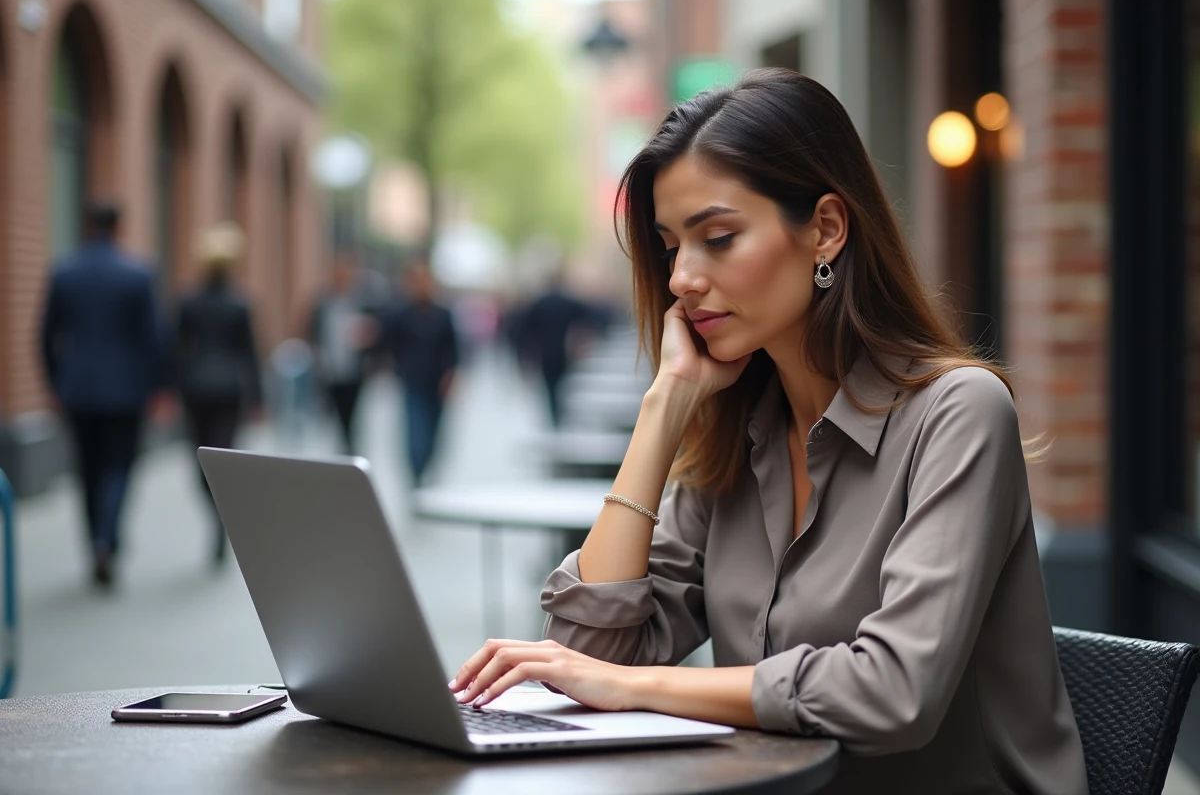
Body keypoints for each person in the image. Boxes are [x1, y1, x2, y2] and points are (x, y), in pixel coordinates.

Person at [448, 70, 1088, 793]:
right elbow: (588, 652)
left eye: (718, 238)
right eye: (669, 247)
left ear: (825, 229)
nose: (683, 277)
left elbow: (892, 694)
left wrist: (638, 688)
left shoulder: (958, 414)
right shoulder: (737, 428)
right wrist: (664, 410)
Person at [40, 200, 168, 588]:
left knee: (87, 469)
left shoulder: (65, 272)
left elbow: (45, 336)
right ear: (120, 227)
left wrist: (55, 383)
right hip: (126, 391)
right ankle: (106, 540)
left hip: (78, 388)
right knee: (119, 468)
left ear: (88, 225)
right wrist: (159, 385)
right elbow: (154, 338)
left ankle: (94, 542)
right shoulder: (137, 274)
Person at [174, 223, 263, 565]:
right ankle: (220, 519)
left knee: (201, 461)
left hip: (196, 388)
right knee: (221, 457)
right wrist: (257, 397)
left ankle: (216, 519)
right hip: (228, 390)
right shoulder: (240, 303)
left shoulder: (189, 302)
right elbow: (249, 353)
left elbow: (177, 348)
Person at [378, 260, 459, 485]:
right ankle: (416, 474)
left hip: (437, 383)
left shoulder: (443, 314)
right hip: (412, 381)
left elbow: (452, 349)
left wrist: (452, 376)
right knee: (415, 434)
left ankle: (426, 469)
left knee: (434, 433)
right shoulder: (400, 314)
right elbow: (386, 342)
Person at [308, 251, 375, 454]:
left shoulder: (361, 303)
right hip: (330, 370)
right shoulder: (322, 304)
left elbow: (374, 334)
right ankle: (344, 448)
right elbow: (311, 331)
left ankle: (350, 449)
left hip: (354, 370)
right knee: (334, 414)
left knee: (352, 416)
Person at [512, 268, 597, 427]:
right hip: (565, 352)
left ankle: (554, 419)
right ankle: (561, 417)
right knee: (564, 386)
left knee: (550, 388)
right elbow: (588, 321)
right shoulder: (569, 302)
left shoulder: (538, 303)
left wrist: (525, 357)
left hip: (545, 354)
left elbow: (524, 332)